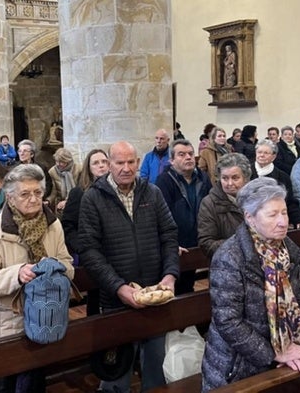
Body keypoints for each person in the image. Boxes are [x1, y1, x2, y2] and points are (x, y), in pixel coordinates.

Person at [78, 141, 179, 393]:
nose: (126, 168)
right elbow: (90, 251)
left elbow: (169, 235)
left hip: (154, 292)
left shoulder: (152, 192)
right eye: (119, 162)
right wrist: (119, 288)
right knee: (116, 374)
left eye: (131, 162)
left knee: (155, 368)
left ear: (138, 162)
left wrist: (170, 275)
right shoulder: (93, 198)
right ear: (109, 165)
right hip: (115, 299)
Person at [201, 177, 300, 391]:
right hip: (236, 367)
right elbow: (227, 321)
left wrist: (296, 344)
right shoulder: (230, 256)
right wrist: (273, 353)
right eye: (272, 214)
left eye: (284, 212)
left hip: (283, 355)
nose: (282, 221)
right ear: (250, 218)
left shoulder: (287, 250)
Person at [0, 164, 74, 392]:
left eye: (37, 193)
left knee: (34, 384)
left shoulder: (53, 224)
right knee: (5, 387)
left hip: (43, 319)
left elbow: (67, 264)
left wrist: (54, 268)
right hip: (4, 323)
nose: (33, 199)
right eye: (25, 194)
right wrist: (17, 274)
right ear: (10, 197)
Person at [156, 139, 211, 293]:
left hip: (198, 241)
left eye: (190, 154)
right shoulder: (164, 181)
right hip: (177, 245)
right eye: (182, 154)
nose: (188, 157)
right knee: (175, 288)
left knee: (189, 286)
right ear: (172, 160)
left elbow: (211, 207)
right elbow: (161, 215)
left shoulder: (203, 178)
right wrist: (171, 242)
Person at [250, 139, 300, 229]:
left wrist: (298, 220)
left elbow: (290, 202)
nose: (261, 155)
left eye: (266, 153)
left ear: (273, 157)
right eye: (259, 152)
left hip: (274, 221)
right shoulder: (246, 173)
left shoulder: (283, 177)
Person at [198, 153, 251, 258]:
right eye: (225, 178)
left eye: (235, 178)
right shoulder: (209, 203)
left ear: (245, 178)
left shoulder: (256, 199)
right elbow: (206, 244)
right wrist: (243, 243)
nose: (229, 183)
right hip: (227, 265)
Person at [61, 149, 109, 256]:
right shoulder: (78, 193)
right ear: (89, 168)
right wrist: (81, 248)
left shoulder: (115, 191)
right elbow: (68, 225)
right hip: (91, 252)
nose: (101, 165)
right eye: (96, 163)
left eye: (104, 161)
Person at [47, 148, 81, 214]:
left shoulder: (79, 169)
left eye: (62, 162)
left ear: (68, 161)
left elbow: (81, 188)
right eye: (57, 161)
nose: (58, 164)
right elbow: (54, 191)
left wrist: (67, 201)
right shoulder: (52, 171)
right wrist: (48, 200)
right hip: (60, 203)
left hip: (77, 201)